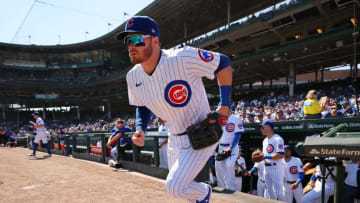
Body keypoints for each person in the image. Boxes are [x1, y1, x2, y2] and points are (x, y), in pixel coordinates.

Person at [117, 16, 232, 202]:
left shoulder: (182, 57)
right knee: (184, 192)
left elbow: (223, 63)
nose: (131, 45)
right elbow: (142, 105)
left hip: (202, 131)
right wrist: (140, 128)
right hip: (174, 138)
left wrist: (225, 105)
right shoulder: (132, 76)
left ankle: (205, 192)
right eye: (127, 41)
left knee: (175, 187)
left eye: (137, 39)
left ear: (155, 40)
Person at [215, 114, 244, 191]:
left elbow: (238, 134)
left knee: (229, 164)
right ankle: (224, 187)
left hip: (232, 146)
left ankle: (231, 187)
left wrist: (231, 147)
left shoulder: (235, 118)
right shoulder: (218, 117)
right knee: (221, 168)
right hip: (220, 146)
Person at [260, 120, 285, 201]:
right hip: (266, 168)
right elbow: (264, 156)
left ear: (269, 128)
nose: (261, 129)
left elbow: (280, 155)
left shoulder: (278, 139)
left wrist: (265, 156)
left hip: (276, 168)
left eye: (263, 127)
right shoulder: (264, 140)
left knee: (279, 192)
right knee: (269, 192)